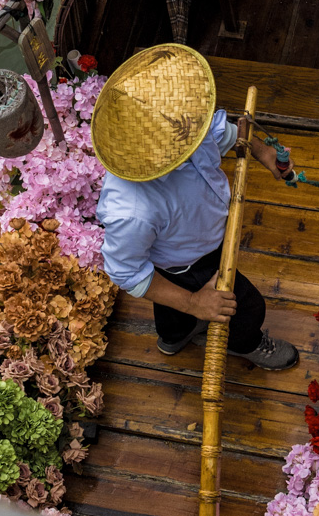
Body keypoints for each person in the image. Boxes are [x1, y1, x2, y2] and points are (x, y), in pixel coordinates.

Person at [89, 43, 298, 371]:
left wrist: (260, 150)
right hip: (185, 263)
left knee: (172, 317)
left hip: (206, 237)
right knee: (247, 306)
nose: (195, 135)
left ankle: (174, 337)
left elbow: (219, 131)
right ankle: (247, 343)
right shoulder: (131, 210)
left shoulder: (181, 116)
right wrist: (194, 301)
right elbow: (126, 271)